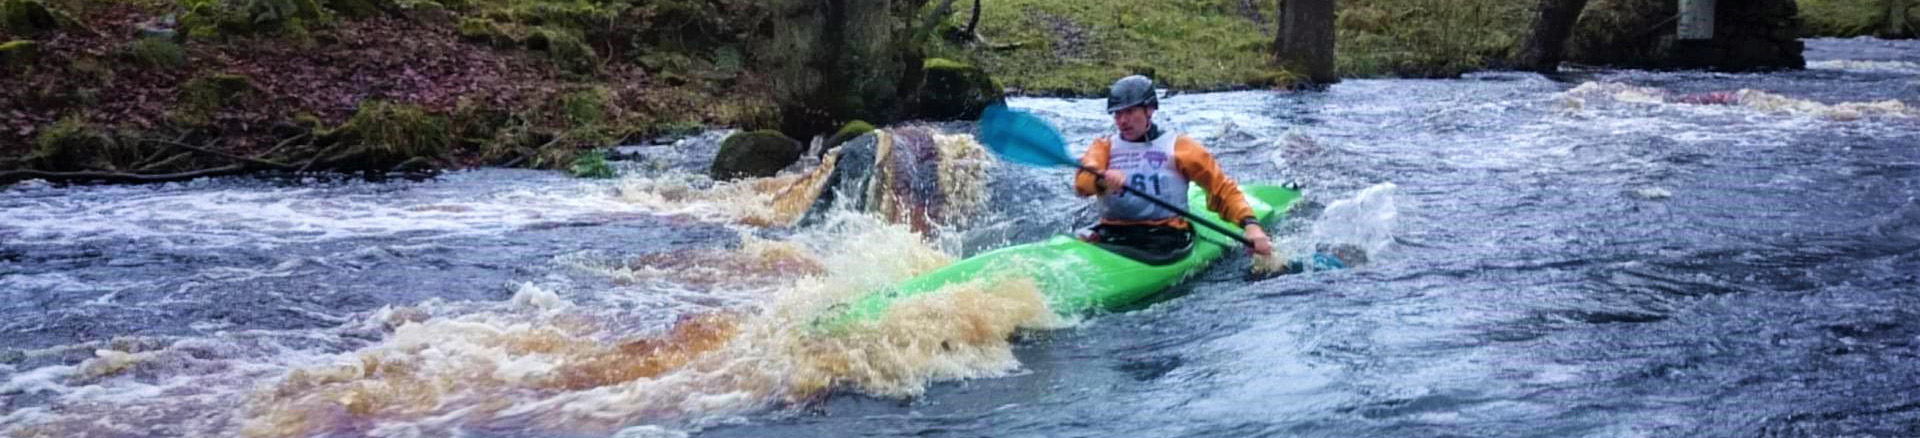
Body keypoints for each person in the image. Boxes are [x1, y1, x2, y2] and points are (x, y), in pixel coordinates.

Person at [1074, 75, 1272, 263]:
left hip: (1164, 236)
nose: (1122, 121)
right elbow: (1082, 182)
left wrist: (1251, 226)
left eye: (1130, 111)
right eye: (1117, 113)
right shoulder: (1103, 147)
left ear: (1149, 110)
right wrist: (1100, 181)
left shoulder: (1180, 147)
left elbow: (1221, 188)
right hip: (1111, 231)